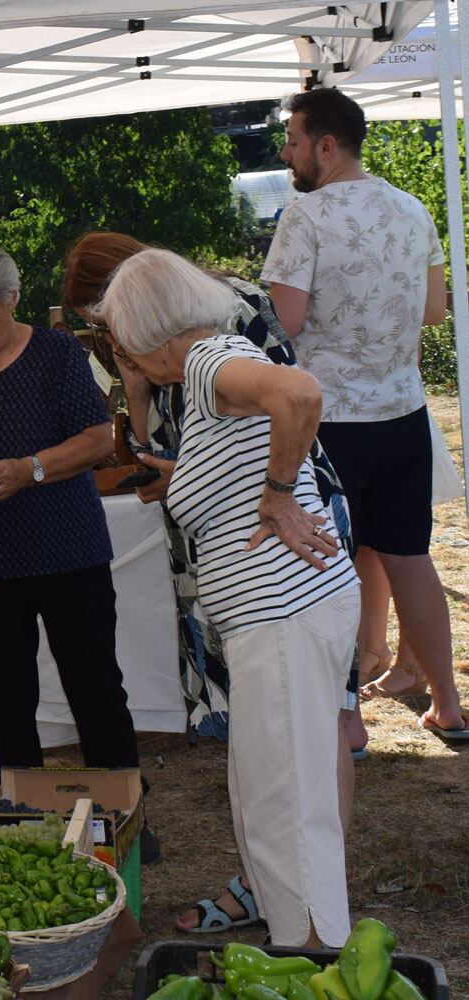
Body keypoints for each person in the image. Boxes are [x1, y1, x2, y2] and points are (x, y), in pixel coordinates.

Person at [63, 231, 364, 934]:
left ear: (142, 327)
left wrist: (280, 494)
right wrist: (192, 478)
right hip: (283, 612)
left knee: (283, 805)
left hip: (284, 612)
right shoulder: (206, 364)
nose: (118, 354)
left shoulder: (206, 358)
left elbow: (300, 391)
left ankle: (311, 954)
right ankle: (311, 943)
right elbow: (240, 448)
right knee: (278, 794)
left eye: (116, 337)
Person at [262, 87, 467, 740]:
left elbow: (284, 324)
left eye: (292, 141)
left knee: (327, 565)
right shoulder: (412, 209)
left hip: (332, 422)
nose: (286, 152)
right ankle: (450, 705)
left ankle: (345, 721)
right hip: (404, 413)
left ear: (327, 145)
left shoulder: (306, 214)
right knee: (411, 560)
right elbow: (435, 311)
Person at [0, 244, 139, 775]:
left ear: (11, 298)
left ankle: (122, 814)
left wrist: (27, 469)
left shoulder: (56, 355)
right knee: (4, 698)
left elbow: (98, 438)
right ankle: (15, 816)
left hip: (69, 552)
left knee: (95, 687)